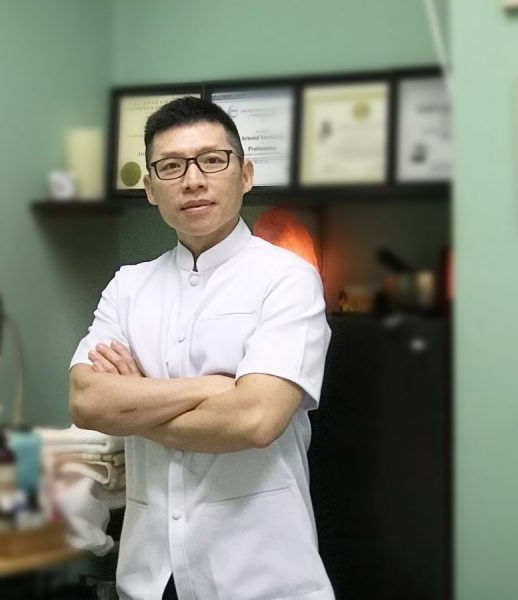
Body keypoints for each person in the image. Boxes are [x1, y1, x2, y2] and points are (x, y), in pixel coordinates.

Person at [68, 97, 334, 600]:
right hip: (151, 577)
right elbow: (87, 402)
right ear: (150, 189)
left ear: (245, 175)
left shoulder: (287, 278)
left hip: (260, 576)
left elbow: (254, 420)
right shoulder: (128, 286)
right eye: (171, 167)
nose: (192, 180)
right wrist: (212, 388)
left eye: (212, 160)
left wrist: (135, 403)